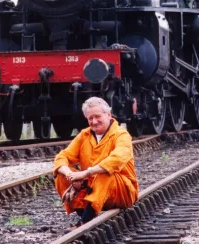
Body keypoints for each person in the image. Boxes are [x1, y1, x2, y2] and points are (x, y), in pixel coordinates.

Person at [53, 97, 139, 229]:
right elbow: (62, 156)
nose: (94, 121)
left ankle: (85, 221)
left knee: (105, 172)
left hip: (121, 192)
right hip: (93, 192)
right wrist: (70, 175)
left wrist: (86, 173)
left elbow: (117, 159)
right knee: (61, 174)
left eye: (97, 116)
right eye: (90, 118)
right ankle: (83, 215)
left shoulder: (121, 134)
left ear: (108, 115)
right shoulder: (84, 135)